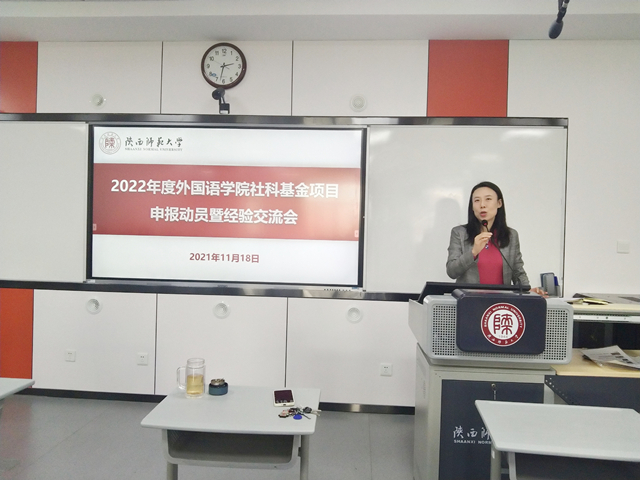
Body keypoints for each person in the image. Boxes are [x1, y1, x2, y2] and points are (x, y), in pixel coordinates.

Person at [446, 181, 546, 295]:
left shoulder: (511, 235)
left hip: (502, 303)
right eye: (477, 200)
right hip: (470, 300)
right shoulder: (459, 233)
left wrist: (528, 292)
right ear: (472, 206)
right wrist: (473, 252)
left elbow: (517, 271)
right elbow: (452, 271)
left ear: (499, 203)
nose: (482, 205)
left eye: (488, 199)